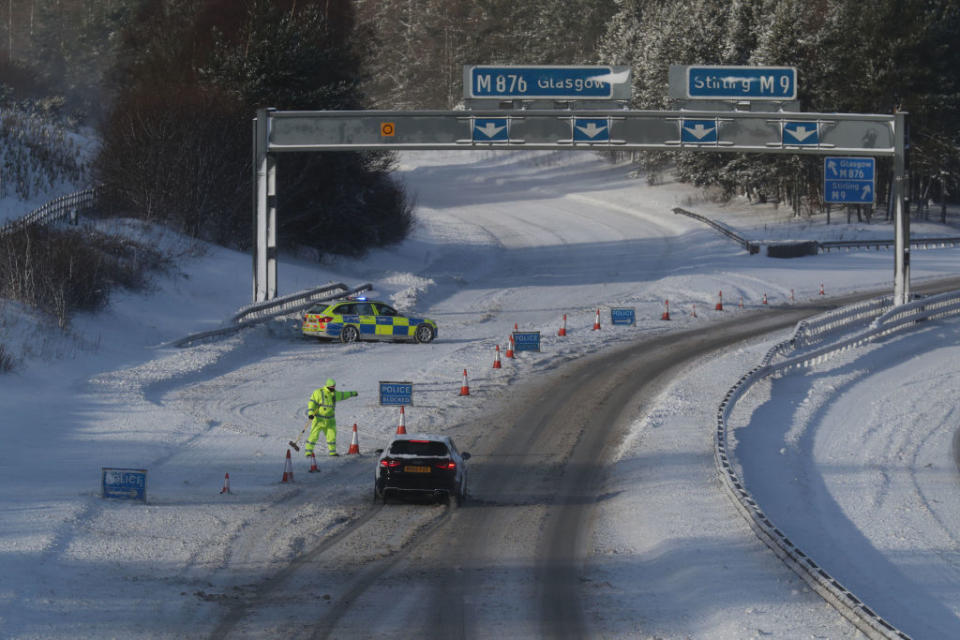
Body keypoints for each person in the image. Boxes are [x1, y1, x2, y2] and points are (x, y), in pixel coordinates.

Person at [306, 378, 358, 457]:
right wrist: (310, 413)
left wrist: (352, 393)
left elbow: (344, 395)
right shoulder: (318, 393)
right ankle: (308, 452)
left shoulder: (334, 394)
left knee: (332, 436)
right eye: (332, 387)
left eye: (334, 387)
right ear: (328, 386)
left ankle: (332, 452)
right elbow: (311, 403)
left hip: (330, 420)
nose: (333, 388)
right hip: (319, 419)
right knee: (314, 436)